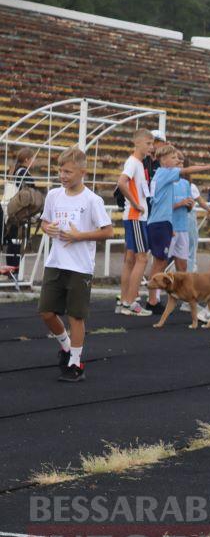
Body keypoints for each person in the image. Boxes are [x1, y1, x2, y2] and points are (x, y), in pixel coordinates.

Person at [38, 147, 114, 382]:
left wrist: (78, 236)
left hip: (80, 266)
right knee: (46, 312)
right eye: (61, 170)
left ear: (82, 172)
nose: (63, 175)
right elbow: (45, 223)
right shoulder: (53, 195)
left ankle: (76, 362)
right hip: (55, 263)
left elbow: (108, 231)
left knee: (76, 316)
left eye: (68, 171)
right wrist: (47, 228)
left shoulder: (93, 200)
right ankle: (66, 345)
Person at [144, 145, 210, 312]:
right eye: (174, 158)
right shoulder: (164, 173)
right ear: (163, 160)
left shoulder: (166, 177)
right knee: (159, 263)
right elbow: (188, 170)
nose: (178, 162)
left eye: (178, 159)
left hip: (166, 223)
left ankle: (173, 298)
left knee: (176, 264)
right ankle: (152, 300)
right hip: (161, 223)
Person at [116, 130, 153, 317]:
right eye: (148, 143)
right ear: (137, 143)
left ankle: (124, 301)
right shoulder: (132, 162)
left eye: (151, 143)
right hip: (135, 216)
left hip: (134, 216)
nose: (151, 147)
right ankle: (130, 303)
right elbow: (121, 183)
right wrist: (135, 203)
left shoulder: (138, 163)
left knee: (130, 260)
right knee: (142, 258)